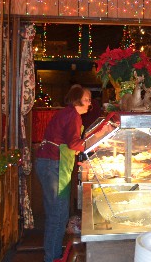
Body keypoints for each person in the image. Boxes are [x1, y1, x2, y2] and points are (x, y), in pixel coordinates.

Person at [35, 85, 92, 262]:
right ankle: (52, 257)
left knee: (55, 213)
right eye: (87, 99)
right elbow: (74, 143)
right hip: (54, 165)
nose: (90, 103)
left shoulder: (67, 113)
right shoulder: (73, 116)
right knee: (58, 215)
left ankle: (52, 253)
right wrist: (94, 143)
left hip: (49, 163)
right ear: (77, 99)